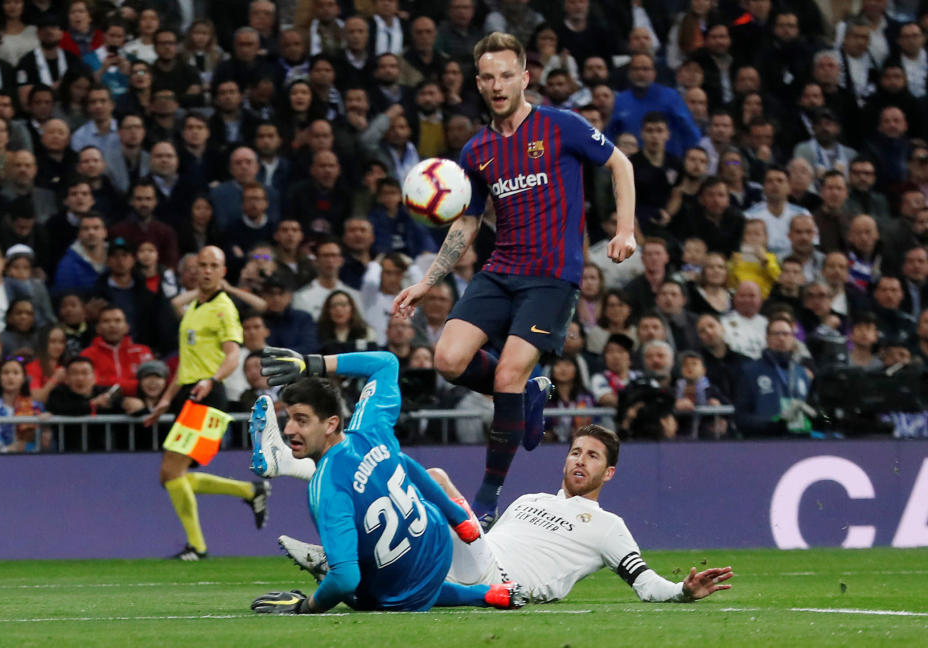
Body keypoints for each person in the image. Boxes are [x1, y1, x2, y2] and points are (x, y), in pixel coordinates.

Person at [392, 32, 636, 526]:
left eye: (507, 75)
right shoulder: (477, 150)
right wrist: (429, 280)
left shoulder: (561, 126)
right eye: (488, 76)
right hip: (501, 269)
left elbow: (620, 163)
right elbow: (467, 221)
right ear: (478, 84)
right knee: (447, 357)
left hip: (551, 277)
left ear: (525, 77)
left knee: (505, 370)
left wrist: (624, 228)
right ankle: (527, 395)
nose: (498, 84)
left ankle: (487, 499)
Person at [274, 423, 733, 605]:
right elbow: (480, 535)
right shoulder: (529, 500)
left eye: (592, 457)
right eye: (575, 451)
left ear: (608, 473)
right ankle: (342, 560)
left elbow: (644, 583)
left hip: (505, 584)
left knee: (433, 482)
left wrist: (682, 592)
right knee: (429, 511)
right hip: (476, 558)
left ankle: (299, 476)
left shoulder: (609, 528)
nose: (579, 461)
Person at [246, 348, 525, 613]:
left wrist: (306, 606)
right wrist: (312, 363)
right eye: (289, 419)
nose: (289, 428)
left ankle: (326, 556)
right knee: (398, 462)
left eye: (301, 420)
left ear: (331, 424)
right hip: (437, 540)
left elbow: (345, 580)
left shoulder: (326, 490)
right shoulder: (370, 426)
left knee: (358, 582)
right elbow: (385, 363)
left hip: (400, 593)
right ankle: (475, 565)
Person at [142, 246, 269, 560]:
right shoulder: (197, 307)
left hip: (209, 396)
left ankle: (197, 546)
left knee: (171, 472)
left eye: (214, 265)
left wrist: (211, 380)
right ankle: (249, 491)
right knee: (172, 474)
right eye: (203, 265)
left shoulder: (224, 308)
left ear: (224, 272)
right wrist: (165, 400)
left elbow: (233, 355)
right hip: (189, 393)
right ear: (195, 269)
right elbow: (186, 363)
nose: (208, 270)